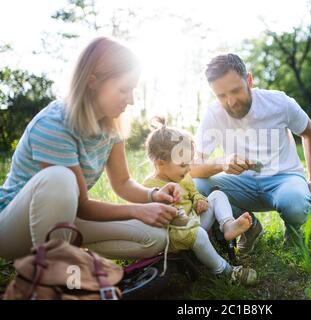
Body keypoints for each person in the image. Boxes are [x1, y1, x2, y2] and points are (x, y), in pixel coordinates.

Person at [0, 37, 182, 260]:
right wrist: (137, 210)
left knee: (156, 237)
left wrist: (153, 195)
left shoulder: (111, 126)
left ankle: (67, 252)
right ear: (93, 81)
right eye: (124, 89)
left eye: (133, 89)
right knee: (60, 178)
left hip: (65, 220)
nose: (132, 100)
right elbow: (83, 205)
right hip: (13, 230)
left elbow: (123, 183)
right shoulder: (53, 124)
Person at [191, 53, 311, 253]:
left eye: (236, 90)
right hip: (241, 184)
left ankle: (294, 231)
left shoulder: (279, 102)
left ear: (249, 80)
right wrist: (221, 163)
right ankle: (249, 227)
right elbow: (193, 167)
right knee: (198, 186)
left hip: (283, 178)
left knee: (295, 203)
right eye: (222, 95)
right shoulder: (213, 114)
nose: (231, 101)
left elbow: (309, 133)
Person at [142, 117, 256, 284]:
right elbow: (152, 218)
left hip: (194, 222)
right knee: (200, 234)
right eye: (183, 165)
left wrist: (199, 200)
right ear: (160, 164)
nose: (189, 169)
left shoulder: (184, 176)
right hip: (176, 234)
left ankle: (228, 225)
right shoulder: (150, 186)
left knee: (217, 196)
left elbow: (194, 192)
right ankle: (225, 270)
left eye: (189, 163)